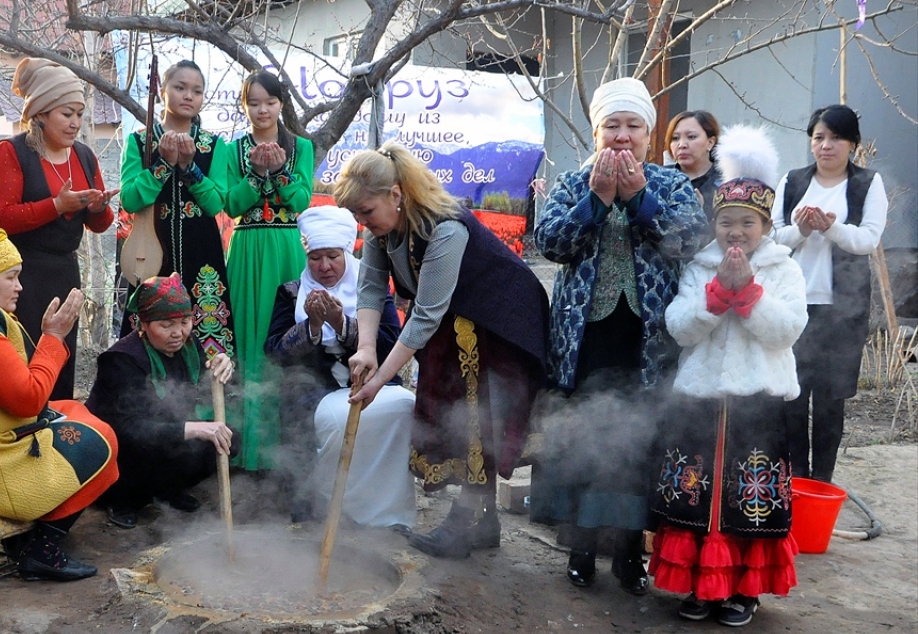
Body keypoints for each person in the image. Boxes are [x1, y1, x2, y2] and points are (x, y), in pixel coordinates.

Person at [531, 77, 709, 593]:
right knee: (585, 438)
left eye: (634, 126)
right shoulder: (573, 182)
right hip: (585, 339)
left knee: (638, 442)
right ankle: (581, 548)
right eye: (612, 126)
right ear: (596, 133)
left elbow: (690, 241)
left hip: (649, 340)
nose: (623, 135)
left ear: (650, 135)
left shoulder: (672, 185)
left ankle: (630, 553)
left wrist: (637, 200)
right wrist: (596, 200)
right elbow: (551, 243)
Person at [333, 142, 549, 559]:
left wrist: (380, 380)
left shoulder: (446, 228)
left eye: (366, 211)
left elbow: (426, 313)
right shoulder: (381, 230)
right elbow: (372, 288)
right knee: (452, 404)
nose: (362, 222)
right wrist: (366, 349)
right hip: (454, 319)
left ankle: (463, 523)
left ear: (396, 195)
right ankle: (485, 521)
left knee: (476, 412)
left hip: (500, 319)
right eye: (356, 214)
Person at [650, 125, 806, 627]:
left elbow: (788, 330)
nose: (735, 232)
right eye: (726, 223)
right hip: (701, 395)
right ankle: (700, 584)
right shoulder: (700, 267)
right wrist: (716, 297)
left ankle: (743, 591)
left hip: (758, 398)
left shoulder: (783, 268)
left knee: (748, 497)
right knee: (696, 493)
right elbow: (679, 326)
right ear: (714, 224)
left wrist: (750, 294)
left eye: (747, 223)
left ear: (766, 226)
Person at [0, 228, 120, 581]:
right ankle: (41, 550)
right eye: (11, 277)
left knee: (75, 410)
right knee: (103, 440)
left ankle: (28, 540)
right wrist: (54, 338)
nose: (20, 286)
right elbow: (28, 399)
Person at [264, 206, 415, 529]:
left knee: (403, 405)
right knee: (325, 417)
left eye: (332, 256)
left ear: (346, 252)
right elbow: (274, 352)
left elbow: (391, 343)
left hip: (370, 386)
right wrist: (311, 327)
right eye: (315, 258)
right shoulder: (292, 293)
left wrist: (341, 323)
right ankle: (321, 511)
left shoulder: (371, 288)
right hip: (312, 391)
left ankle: (385, 512)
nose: (324, 266)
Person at [0, 57, 118, 400]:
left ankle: (60, 422)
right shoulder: (10, 152)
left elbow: (100, 224)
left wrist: (98, 209)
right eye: (67, 114)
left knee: (62, 359)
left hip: (65, 272)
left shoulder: (84, 156)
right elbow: (1, 218)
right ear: (41, 114)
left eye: (80, 114)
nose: (75, 123)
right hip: (21, 275)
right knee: (26, 358)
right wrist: (57, 206)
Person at [772, 104, 888, 483]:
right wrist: (803, 230)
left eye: (836, 138)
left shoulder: (867, 183)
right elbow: (773, 238)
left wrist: (832, 228)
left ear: (853, 143)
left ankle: (821, 481)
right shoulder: (792, 181)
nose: (826, 145)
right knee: (791, 397)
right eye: (819, 137)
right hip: (793, 306)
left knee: (829, 402)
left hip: (842, 311)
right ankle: (794, 480)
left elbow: (868, 239)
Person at [86, 275, 236, 528]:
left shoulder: (189, 347)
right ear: (143, 324)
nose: (178, 333)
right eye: (166, 325)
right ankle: (122, 500)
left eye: (185, 322)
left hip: (166, 435)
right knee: (145, 449)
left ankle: (167, 490)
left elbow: (210, 386)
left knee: (227, 438)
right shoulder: (121, 359)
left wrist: (223, 365)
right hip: (122, 450)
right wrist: (194, 428)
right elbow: (129, 429)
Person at [221, 70, 314, 472]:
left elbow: (301, 200)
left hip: (286, 246)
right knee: (249, 336)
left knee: (286, 336)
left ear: (281, 104)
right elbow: (231, 205)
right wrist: (256, 174)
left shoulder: (301, 147)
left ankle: (287, 451)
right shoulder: (232, 150)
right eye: (254, 103)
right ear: (244, 106)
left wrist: (280, 172)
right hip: (246, 247)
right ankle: (248, 450)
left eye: (270, 102)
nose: (262, 110)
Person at [119, 59, 235, 358]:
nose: (188, 96)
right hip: (152, 248)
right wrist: (163, 165)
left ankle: (211, 387)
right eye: (180, 87)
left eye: (197, 91)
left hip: (202, 249)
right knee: (148, 331)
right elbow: (129, 200)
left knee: (207, 330)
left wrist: (189, 167)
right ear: (162, 91)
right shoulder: (140, 141)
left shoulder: (213, 145)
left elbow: (215, 204)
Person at [666, 110, 723, 220]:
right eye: (675, 138)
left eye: (691, 137)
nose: (682, 145)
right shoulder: (659, 178)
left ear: (710, 142)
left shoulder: (727, 180)